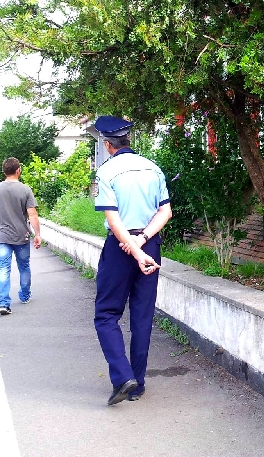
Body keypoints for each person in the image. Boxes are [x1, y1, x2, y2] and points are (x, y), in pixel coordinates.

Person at [93, 115, 172, 406]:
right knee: (142, 316)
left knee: (106, 314)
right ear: (128, 139)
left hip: (120, 248)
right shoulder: (153, 168)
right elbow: (165, 211)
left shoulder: (106, 172)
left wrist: (133, 248)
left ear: (107, 144)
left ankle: (122, 376)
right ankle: (137, 384)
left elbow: (114, 220)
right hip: (149, 245)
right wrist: (143, 241)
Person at [0, 157, 42, 316]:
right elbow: (32, 214)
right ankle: (24, 295)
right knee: (24, 266)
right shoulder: (25, 190)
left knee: (3, 269)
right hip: (21, 236)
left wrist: (1, 223)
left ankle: (4, 303)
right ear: (18, 170)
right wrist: (37, 234)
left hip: (2, 237)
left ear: (4, 171)